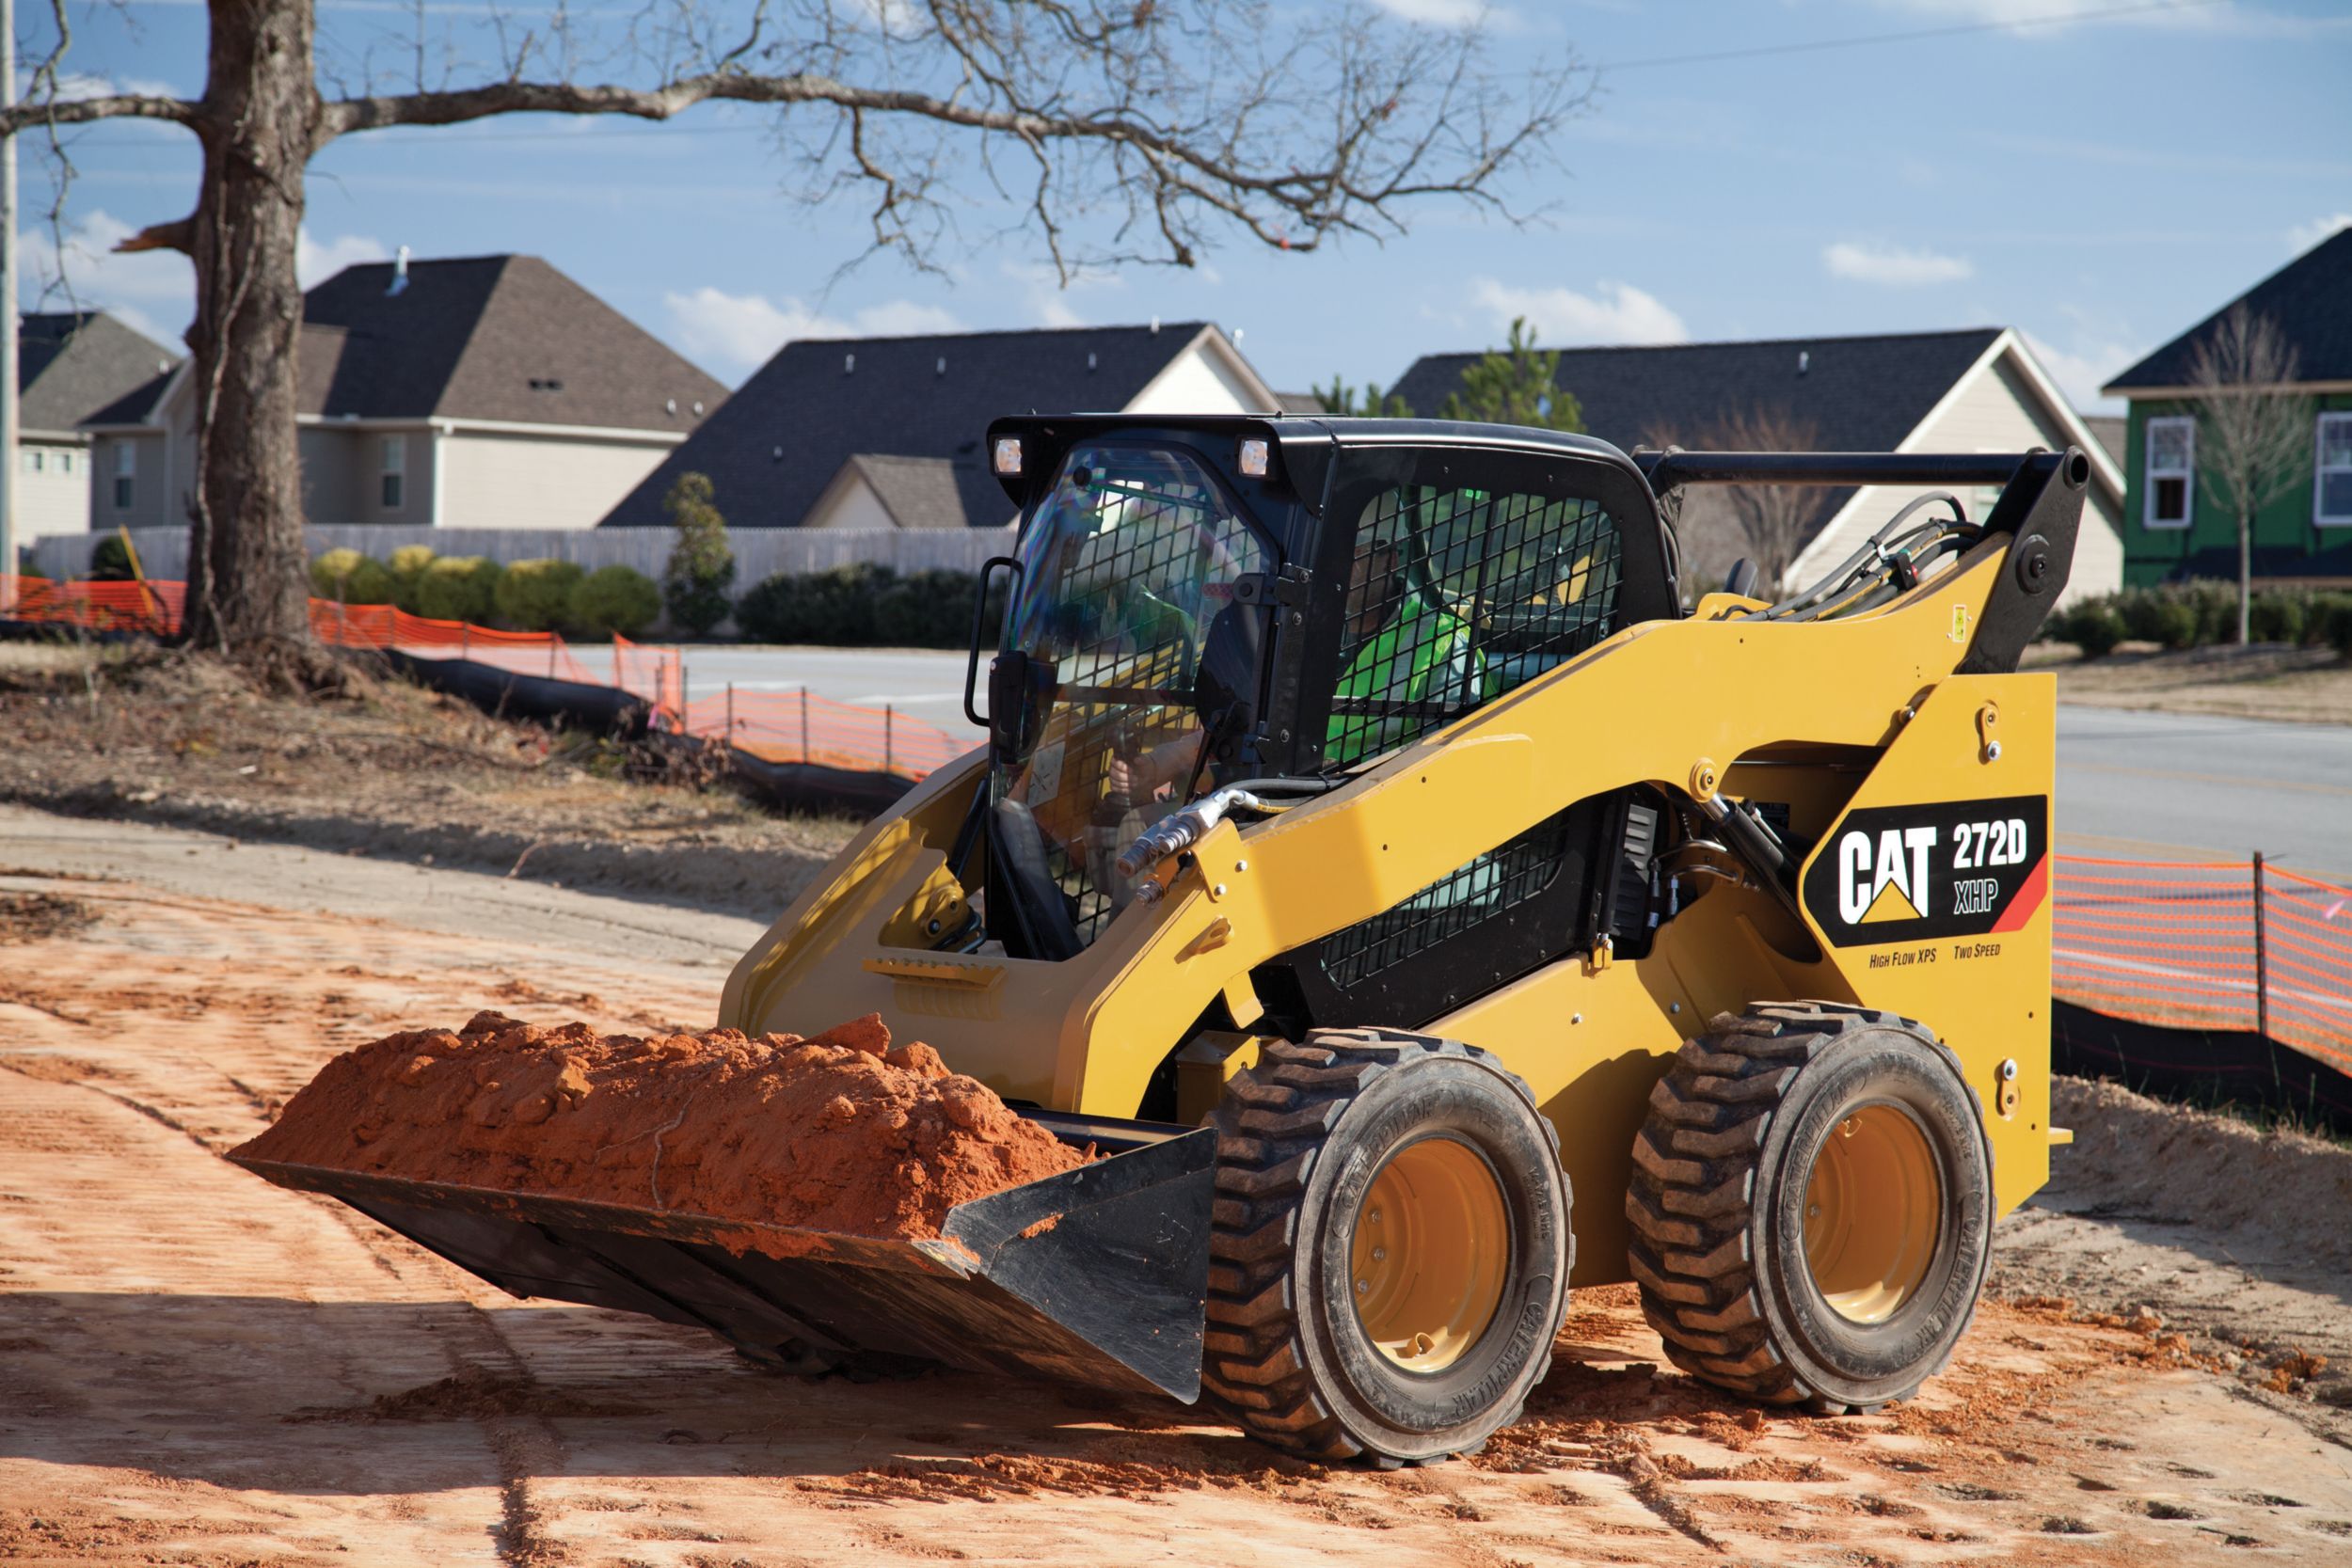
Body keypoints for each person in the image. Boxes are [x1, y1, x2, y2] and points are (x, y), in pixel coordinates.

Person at [1105, 527, 1490, 795]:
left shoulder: (1443, 642)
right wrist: (1159, 764)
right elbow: (1249, 716)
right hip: (1293, 801)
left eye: (1349, 556)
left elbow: (1448, 766)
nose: (1333, 571)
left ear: (1388, 559)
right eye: (1324, 558)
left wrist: (1330, 774)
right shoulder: (1302, 631)